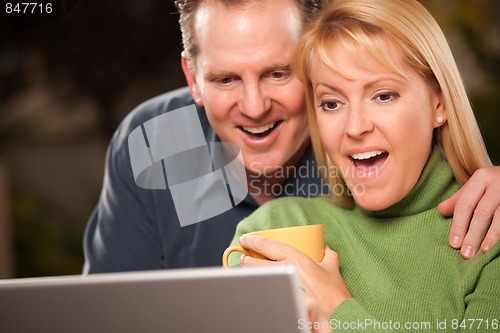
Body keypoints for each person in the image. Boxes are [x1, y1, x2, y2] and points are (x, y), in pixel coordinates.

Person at [83, 0, 500, 274]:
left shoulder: (361, 146)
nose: (254, 105)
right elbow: (109, 311)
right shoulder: (155, 143)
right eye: (226, 79)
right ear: (193, 79)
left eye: (278, 73)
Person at [228, 0, 499, 329]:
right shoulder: (277, 229)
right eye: (331, 102)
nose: (355, 127)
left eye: (383, 95)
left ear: (439, 102)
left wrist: (338, 309)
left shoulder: (489, 236)